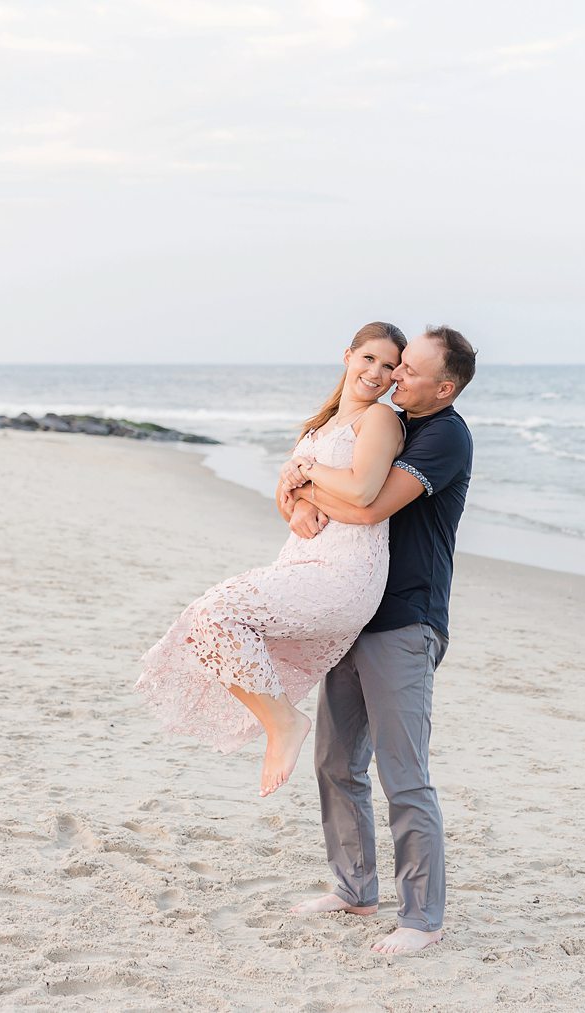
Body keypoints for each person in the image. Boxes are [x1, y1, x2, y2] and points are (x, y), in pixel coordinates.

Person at [134, 322, 407, 798]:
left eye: (388, 366)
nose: (376, 373)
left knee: (217, 613)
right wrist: (299, 500)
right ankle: (282, 722)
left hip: (345, 572)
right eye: (369, 359)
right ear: (348, 356)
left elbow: (363, 490)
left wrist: (305, 472)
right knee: (205, 622)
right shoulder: (321, 426)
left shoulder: (379, 420)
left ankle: (283, 724)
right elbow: (287, 501)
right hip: (300, 563)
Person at [280, 325, 477, 956]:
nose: (396, 377)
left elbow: (367, 506)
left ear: (444, 388)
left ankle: (422, 918)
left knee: (404, 774)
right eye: (394, 366)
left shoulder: (446, 435)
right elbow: (323, 501)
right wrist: (303, 491)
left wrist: (306, 479)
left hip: (406, 620)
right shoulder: (387, 420)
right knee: (335, 761)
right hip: (352, 610)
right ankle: (353, 889)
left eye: (410, 371)